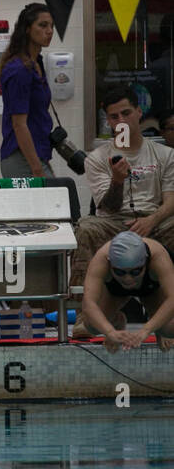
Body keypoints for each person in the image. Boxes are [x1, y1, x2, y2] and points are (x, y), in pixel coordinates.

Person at [70, 86, 174, 326]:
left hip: (154, 221)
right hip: (114, 222)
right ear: (108, 121)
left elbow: (170, 200)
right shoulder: (96, 158)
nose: (122, 121)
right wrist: (117, 180)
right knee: (85, 227)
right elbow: (107, 206)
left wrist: (152, 220)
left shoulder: (165, 154)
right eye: (115, 117)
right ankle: (83, 313)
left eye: (126, 113)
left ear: (139, 112)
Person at [79, 231, 174, 352]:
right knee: (91, 326)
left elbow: (172, 299)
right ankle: (117, 321)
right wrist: (110, 331)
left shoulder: (158, 256)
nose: (128, 279)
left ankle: (158, 328)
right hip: (115, 291)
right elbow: (88, 304)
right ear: (110, 263)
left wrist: (147, 329)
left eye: (135, 272)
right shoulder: (101, 259)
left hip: (153, 290)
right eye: (120, 272)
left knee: (170, 329)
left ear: (145, 262)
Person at [0, 3, 56, 179]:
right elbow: (19, 124)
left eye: (52, 26)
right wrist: (36, 168)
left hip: (35, 153)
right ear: (27, 29)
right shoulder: (19, 70)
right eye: (43, 25)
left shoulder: (35, 63)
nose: (50, 31)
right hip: (21, 156)